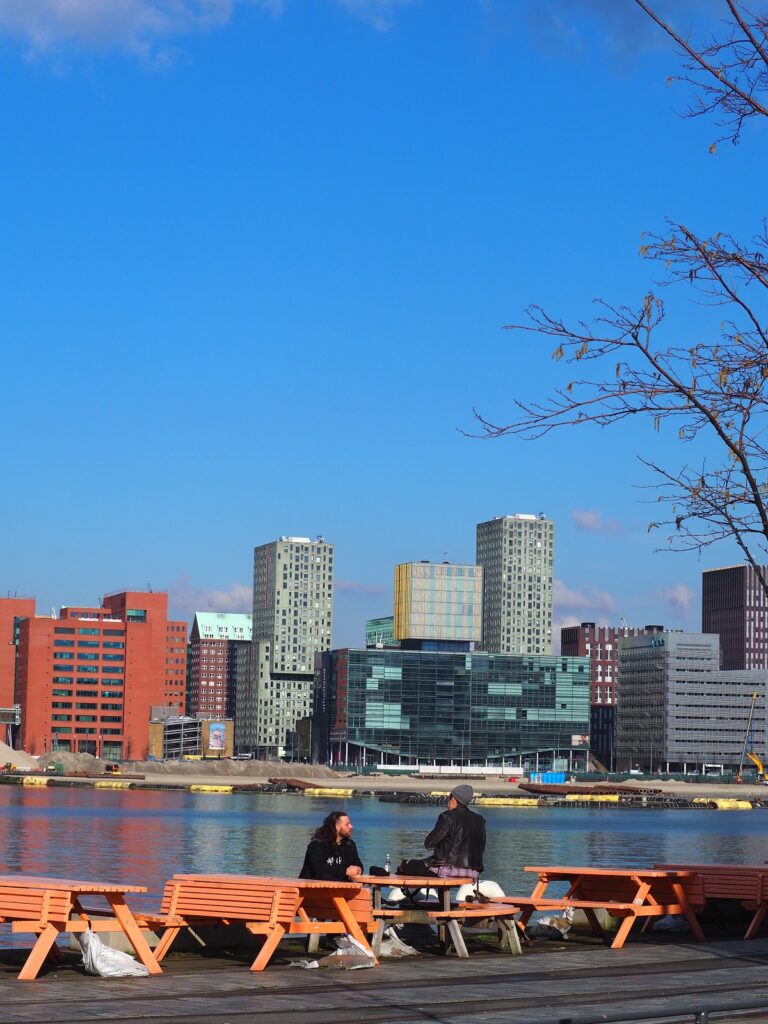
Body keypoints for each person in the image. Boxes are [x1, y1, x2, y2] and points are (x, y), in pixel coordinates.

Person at [423, 784, 485, 883]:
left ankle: (412, 898)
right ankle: (443, 899)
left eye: (448, 799)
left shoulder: (447, 817)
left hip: (447, 870)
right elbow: (480, 847)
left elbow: (429, 844)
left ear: (453, 799)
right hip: (473, 871)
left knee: (406, 866)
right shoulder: (480, 820)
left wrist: (429, 836)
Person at [299, 810, 363, 882]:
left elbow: (358, 864)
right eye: (347, 824)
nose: (351, 826)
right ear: (337, 826)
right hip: (313, 888)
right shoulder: (317, 844)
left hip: (343, 889)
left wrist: (358, 870)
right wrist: (346, 871)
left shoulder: (350, 845)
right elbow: (319, 869)